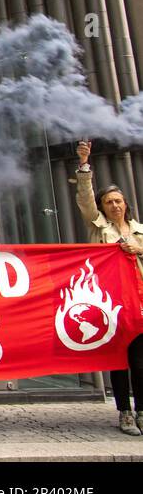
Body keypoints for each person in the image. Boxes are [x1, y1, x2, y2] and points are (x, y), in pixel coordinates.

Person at [75, 140, 143, 436]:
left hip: (140, 303)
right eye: (109, 202)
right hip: (114, 303)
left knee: (140, 361)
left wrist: (137, 248)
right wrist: (84, 166)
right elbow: (86, 200)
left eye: (118, 201)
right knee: (119, 358)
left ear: (125, 203)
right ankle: (124, 412)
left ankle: (141, 410)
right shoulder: (99, 228)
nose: (114, 205)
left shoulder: (140, 231)